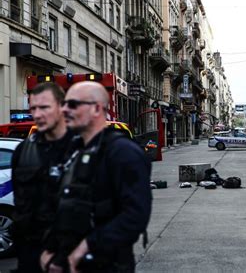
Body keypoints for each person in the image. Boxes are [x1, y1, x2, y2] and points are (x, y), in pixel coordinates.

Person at [40, 81, 152, 273]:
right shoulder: (73, 150)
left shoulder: (123, 152)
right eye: (64, 104)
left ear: (97, 109)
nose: (65, 110)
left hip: (106, 264)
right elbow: (65, 205)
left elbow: (135, 216)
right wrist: (51, 250)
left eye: (73, 104)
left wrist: (87, 246)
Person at [10, 82, 76, 273]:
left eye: (44, 107)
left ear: (62, 107)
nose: (37, 114)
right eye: (33, 108)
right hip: (31, 255)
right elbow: (20, 205)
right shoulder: (23, 151)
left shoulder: (83, 149)